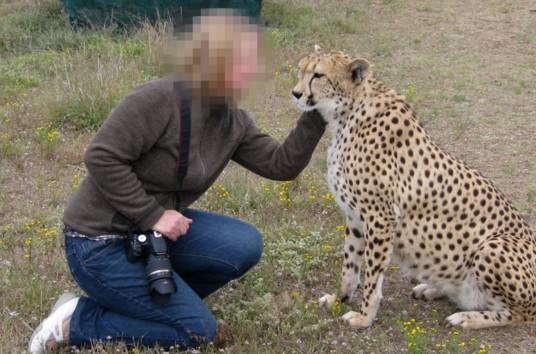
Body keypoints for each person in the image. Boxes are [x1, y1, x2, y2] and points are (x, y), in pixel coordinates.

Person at [29, 9, 326, 353]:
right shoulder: (159, 97)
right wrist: (153, 215)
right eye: (244, 61)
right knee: (198, 332)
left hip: (149, 238)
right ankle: (74, 321)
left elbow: (281, 165)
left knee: (244, 244)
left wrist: (321, 107)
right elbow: (101, 156)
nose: (255, 71)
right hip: (97, 243)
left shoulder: (232, 120)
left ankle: (160, 308)